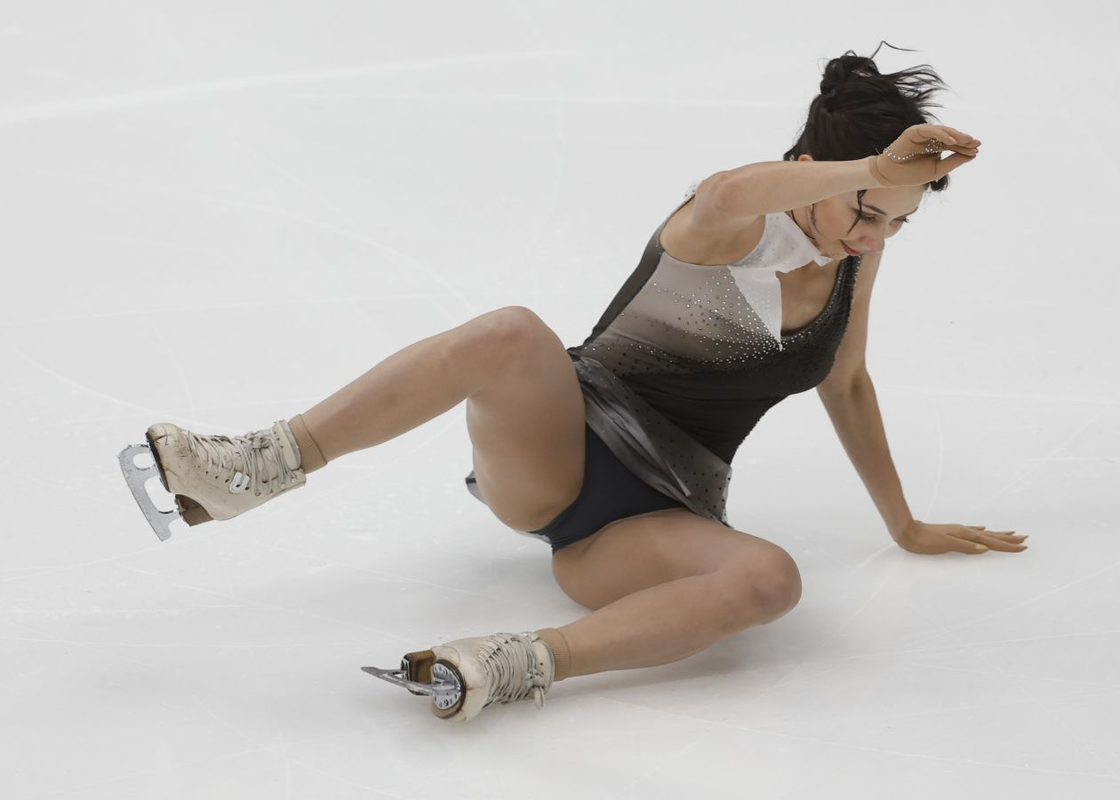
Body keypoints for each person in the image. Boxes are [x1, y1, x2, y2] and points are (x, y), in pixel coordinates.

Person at [121, 43, 1027, 723]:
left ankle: (510, 666)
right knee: (511, 333)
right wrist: (874, 169)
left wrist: (902, 524)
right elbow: (723, 191)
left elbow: (849, 384)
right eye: (867, 209)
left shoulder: (854, 260)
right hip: (560, 447)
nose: (874, 234)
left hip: (651, 521)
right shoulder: (728, 225)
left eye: (897, 223)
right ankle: (254, 467)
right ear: (810, 173)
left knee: (771, 581)